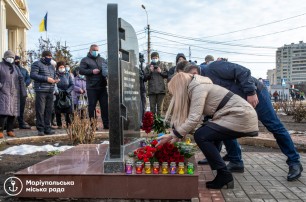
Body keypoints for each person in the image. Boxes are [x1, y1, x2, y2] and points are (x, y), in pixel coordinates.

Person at [200, 60, 303, 181]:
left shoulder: (213, 67)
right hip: (237, 104)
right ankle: (236, 161)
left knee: (275, 126)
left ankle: (294, 162)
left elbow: (243, 71)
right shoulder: (201, 82)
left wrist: (251, 92)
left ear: (193, 71)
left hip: (255, 95)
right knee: (224, 127)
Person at [157, 72, 258, 189]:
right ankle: (222, 173)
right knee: (205, 132)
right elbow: (196, 118)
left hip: (240, 116)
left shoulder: (198, 89)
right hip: (238, 115)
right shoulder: (197, 86)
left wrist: (172, 135)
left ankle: (224, 174)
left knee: (201, 135)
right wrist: (176, 135)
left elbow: (193, 118)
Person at [79, 44, 109, 129]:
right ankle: (93, 125)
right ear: (90, 50)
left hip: (102, 86)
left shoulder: (102, 59)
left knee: (105, 106)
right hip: (92, 87)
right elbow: (81, 70)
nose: (96, 52)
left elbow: (106, 69)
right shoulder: (85, 60)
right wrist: (92, 71)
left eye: (97, 50)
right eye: (94, 50)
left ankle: (106, 124)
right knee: (92, 107)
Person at [30, 50, 59, 136]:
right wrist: (46, 79)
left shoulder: (51, 66)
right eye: (48, 57)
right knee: (40, 110)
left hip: (50, 90)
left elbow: (53, 76)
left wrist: (55, 80)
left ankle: (47, 128)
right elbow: (33, 75)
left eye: (51, 57)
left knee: (49, 110)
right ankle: (40, 129)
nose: (50, 59)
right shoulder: (36, 64)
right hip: (41, 90)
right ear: (43, 57)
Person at [0, 50, 26, 138]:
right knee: (3, 112)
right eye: (9, 57)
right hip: (3, 92)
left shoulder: (16, 68)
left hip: (14, 93)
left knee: (13, 113)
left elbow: (21, 79)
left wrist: (23, 91)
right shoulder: (0, 66)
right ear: (5, 57)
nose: (11, 59)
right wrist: (1, 86)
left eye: (12, 57)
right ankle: (0, 130)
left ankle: (9, 130)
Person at [144, 52, 168, 116]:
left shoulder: (163, 65)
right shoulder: (148, 66)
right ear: (151, 59)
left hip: (161, 90)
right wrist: (150, 71)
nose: (154, 59)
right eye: (153, 58)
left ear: (158, 58)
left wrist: (161, 72)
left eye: (156, 58)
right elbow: (145, 78)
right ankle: (152, 123)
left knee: (160, 109)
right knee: (152, 109)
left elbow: (168, 75)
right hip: (152, 91)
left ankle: (159, 124)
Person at [54, 61, 74, 128]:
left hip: (67, 94)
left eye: (63, 67)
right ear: (57, 68)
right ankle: (59, 124)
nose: (62, 68)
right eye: (60, 67)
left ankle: (69, 124)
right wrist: (59, 92)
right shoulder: (55, 75)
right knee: (58, 110)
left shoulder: (68, 75)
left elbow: (72, 84)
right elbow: (54, 84)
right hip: (58, 94)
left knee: (68, 110)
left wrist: (67, 91)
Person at [14, 56, 31, 129]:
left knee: (21, 108)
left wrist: (25, 83)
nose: (17, 61)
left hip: (22, 91)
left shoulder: (24, 70)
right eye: (15, 60)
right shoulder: (10, 69)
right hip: (13, 91)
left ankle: (21, 122)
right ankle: (6, 124)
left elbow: (29, 78)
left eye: (18, 59)